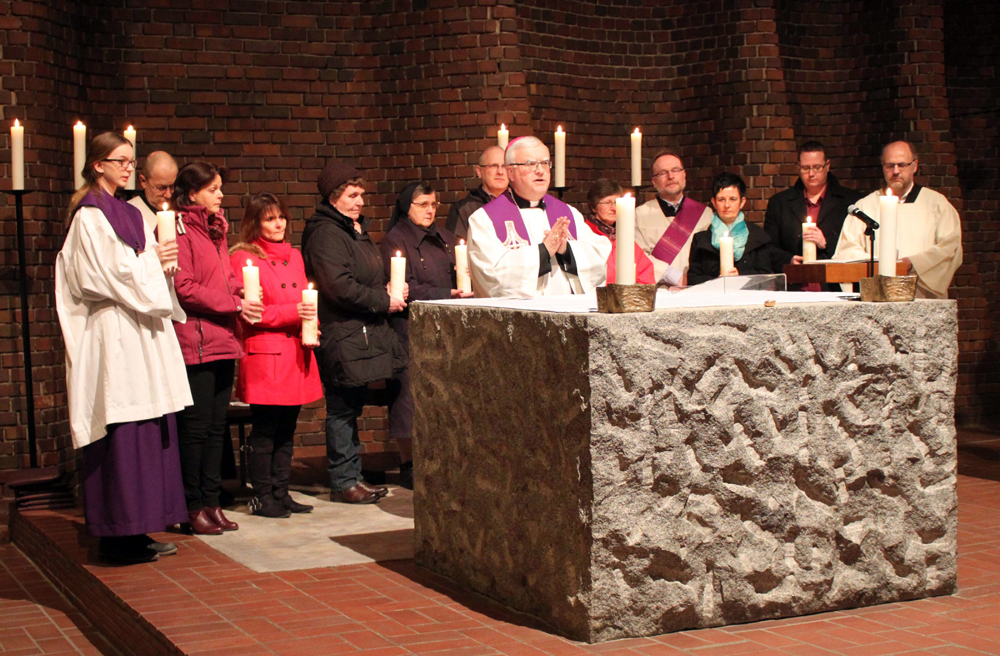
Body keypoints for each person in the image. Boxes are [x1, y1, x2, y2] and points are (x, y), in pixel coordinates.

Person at [55, 132, 191, 564]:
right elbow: (108, 275)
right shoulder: (91, 215)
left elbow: (141, 267)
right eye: (120, 160)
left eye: (131, 161)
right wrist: (155, 261)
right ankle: (117, 535)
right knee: (121, 427)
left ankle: (138, 529)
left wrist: (161, 257)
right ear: (97, 164)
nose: (128, 167)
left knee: (148, 425)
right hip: (114, 330)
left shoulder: (126, 212)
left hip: (138, 329)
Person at [301, 161, 407, 504]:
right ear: (333, 197)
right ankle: (344, 479)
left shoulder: (353, 229)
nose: (360, 200)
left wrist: (387, 286)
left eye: (361, 194)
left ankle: (353, 475)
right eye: (352, 194)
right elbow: (339, 287)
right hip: (341, 332)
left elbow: (363, 274)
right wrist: (383, 300)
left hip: (359, 332)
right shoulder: (326, 234)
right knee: (342, 407)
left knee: (351, 405)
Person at [172, 162, 262, 535]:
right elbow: (186, 287)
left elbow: (222, 277)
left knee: (215, 428)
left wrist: (241, 288)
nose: (220, 195)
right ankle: (192, 506)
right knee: (195, 430)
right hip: (196, 339)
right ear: (193, 194)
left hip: (223, 338)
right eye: (213, 189)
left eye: (221, 188)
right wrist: (234, 303)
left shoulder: (216, 229)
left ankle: (212, 502)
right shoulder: (179, 229)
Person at [230, 193, 323, 517]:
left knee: (287, 428)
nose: (278, 223)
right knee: (266, 430)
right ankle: (262, 495)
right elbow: (252, 314)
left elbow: (306, 301)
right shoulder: (244, 258)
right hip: (266, 354)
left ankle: (281, 492)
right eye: (269, 219)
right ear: (255, 223)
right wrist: (294, 312)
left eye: (280, 216)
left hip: (296, 352)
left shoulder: (295, 256)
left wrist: (312, 324)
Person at [381, 182, 473, 489]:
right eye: (423, 204)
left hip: (445, 327)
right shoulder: (396, 240)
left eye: (433, 204)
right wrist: (447, 292)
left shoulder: (446, 238)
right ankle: (408, 462)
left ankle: (443, 455)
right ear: (407, 207)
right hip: (409, 327)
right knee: (408, 396)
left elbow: (460, 272)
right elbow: (403, 286)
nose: (430, 210)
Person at [467, 136, 611, 297]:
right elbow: (491, 275)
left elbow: (598, 258)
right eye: (530, 164)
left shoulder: (568, 213)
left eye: (544, 163)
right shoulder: (484, 219)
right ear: (510, 173)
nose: (540, 170)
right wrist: (543, 251)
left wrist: (566, 250)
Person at [832, 140, 962, 299]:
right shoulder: (865, 206)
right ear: (882, 166)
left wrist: (913, 263)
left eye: (902, 165)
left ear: (914, 165)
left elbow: (949, 248)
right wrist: (881, 264)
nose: (896, 171)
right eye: (889, 165)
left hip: (922, 295)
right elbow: (847, 250)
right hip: (878, 296)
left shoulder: (936, 204)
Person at [687, 173, 799, 285]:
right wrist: (716, 280)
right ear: (714, 203)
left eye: (733, 199)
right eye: (721, 199)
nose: (727, 205)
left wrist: (740, 275)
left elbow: (765, 275)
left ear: (742, 202)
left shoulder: (757, 236)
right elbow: (693, 278)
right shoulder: (701, 240)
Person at [763, 141, 862, 263]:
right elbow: (769, 247)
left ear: (827, 165)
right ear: (798, 166)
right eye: (805, 168)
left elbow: (857, 246)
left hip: (834, 278)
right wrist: (788, 259)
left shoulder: (849, 201)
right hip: (795, 278)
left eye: (817, 167)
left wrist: (826, 243)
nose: (811, 174)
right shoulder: (779, 203)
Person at [634, 150, 713, 286]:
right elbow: (637, 256)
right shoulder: (639, 215)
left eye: (675, 170)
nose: (670, 176)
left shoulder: (705, 214)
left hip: (697, 289)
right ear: (654, 182)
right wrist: (674, 276)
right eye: (663, 173)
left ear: (684, 175)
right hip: (657, 291)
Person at [583, 178, 655, 284]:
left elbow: (645, 274)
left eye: (617, 202)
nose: (614, 208)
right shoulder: (584, 235)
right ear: (593, 207)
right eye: (607, 203)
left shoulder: (624, 237)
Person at [446, 146, 509, 240]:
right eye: (493, 166)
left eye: (504, 166)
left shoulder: (520, 203)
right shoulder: (463, 209)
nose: (500, 172)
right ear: (479, 171)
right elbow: (457, 247)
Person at [128, 151, 179, 232]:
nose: (168, 195)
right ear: (143, 181)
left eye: (172, 186)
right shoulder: (128, 213)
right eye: (161, 188)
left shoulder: (180, 210)